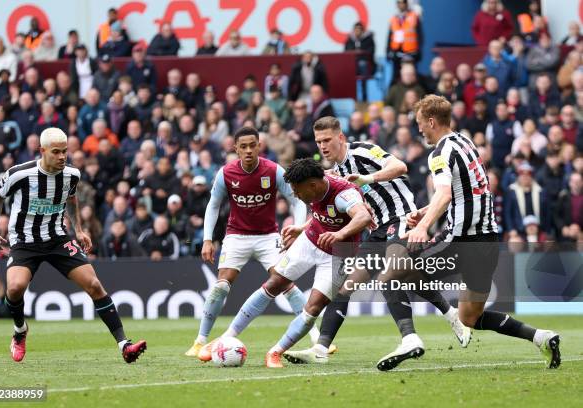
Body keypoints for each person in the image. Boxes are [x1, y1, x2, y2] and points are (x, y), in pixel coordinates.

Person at [393, 95, 560, 370]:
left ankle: (409, 338)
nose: (419, 129)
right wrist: (425, 211)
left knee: (395, 271)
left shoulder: (439, 153)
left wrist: (423, 226)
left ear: (431, 121)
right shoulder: (466, 143)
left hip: (461, 240)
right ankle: (542, 337)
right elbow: (466, 191)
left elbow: (445, 192)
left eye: (420, 123)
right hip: (487, 241)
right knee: (470, 316)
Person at [284, 116, 468, 365]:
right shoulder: (334, 173)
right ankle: (321, 349)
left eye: (327, 139)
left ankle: (410, 338)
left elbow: (400, 166)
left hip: (402, 216)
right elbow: (329, 210)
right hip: (376, 229)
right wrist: (302, 227)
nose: (323, 146)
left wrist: (366, 178)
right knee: (347, 287)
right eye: (318, 142)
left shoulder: (363, 150)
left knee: (391, 275)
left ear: (340, 137)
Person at [0, 127, 146, 363]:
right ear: (42, 151)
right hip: (24, 241)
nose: (62, 157)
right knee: (15, 288)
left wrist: (78, 229)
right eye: (56, 152)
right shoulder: (18, 174)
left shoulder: (72, 174)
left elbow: (70, 198)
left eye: (65, 151)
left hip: (57, 238)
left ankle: (125, 344)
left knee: (93, 284)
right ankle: (20, 331)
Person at [200, 157, 373, 368]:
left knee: (313, 308)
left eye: (298, 191)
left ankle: (275, 352)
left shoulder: (344, 195)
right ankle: (225, 338)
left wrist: (340, 234)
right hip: (310, 240)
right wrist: (302, 228)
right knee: (274, 284)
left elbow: (362, 216)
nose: (296, 196)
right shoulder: (318, 180)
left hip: (339, 253)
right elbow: (323, 211)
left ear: (312, 185)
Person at [185, 126, 314, 358]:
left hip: (268, 237)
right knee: (221, 286)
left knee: (285, 282)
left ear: (259, 146)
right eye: (242, 146)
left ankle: (315, 339)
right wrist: (207, 239)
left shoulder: (273, 170)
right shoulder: (226, 173)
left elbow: (297, 200)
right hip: (236, 236)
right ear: (235, 148)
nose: (248, 150)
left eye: (252, 145)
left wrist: (297, 228)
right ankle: (199, 341)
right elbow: (213, 206)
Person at [386, 0, 422, 77]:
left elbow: (420, 35)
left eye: (402, 2)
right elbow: (390, 37)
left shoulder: (414, 16)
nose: (401, 5)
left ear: (406, 4)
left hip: (410, 52)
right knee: (396, 76)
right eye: (399, 3)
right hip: (396, 52)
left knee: (411, 75)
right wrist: (388, 51)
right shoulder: (394, 19)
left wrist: (419, 51)